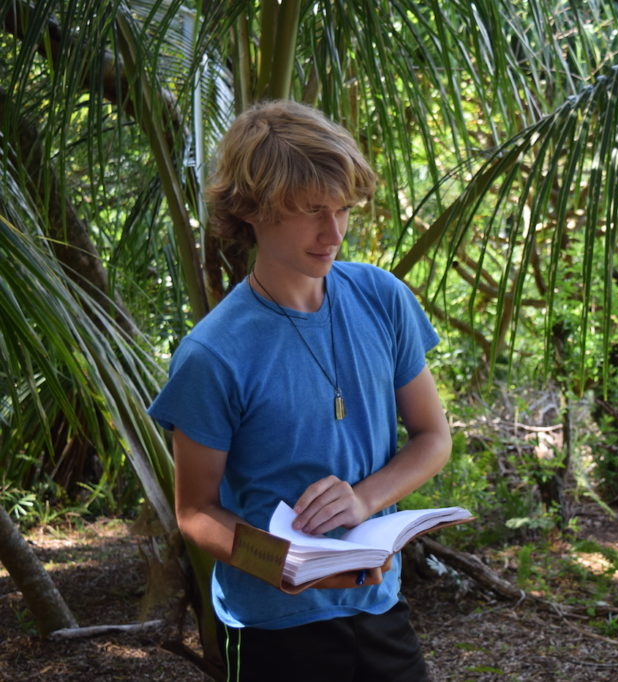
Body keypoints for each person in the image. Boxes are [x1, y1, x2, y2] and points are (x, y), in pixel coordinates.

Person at [148, 99, 451, 681]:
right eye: (313, 211)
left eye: (342, 210)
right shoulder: (213, 355)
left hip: (380, 607)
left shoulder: (382, 299)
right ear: (253, 210)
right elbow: (195, 511)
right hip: (273, 631)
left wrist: (364, 500)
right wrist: (286, 565)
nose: (333, 232)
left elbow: (433, 437)